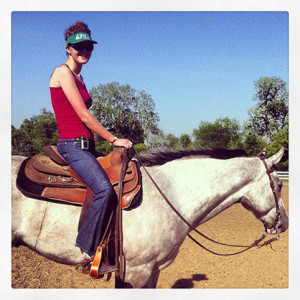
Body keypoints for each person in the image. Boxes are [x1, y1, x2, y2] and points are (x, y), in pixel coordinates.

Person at [49, 21, 132, 274]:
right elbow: (84, 116)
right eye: (78, 47)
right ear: (68, 49)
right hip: (72, 146)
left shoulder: (79, 77)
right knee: (103, 190)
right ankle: (85, 250)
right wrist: (113, 139)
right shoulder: (62, 73)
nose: (84, 50)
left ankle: (111, 245)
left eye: (88, 47)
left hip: (86, 146)